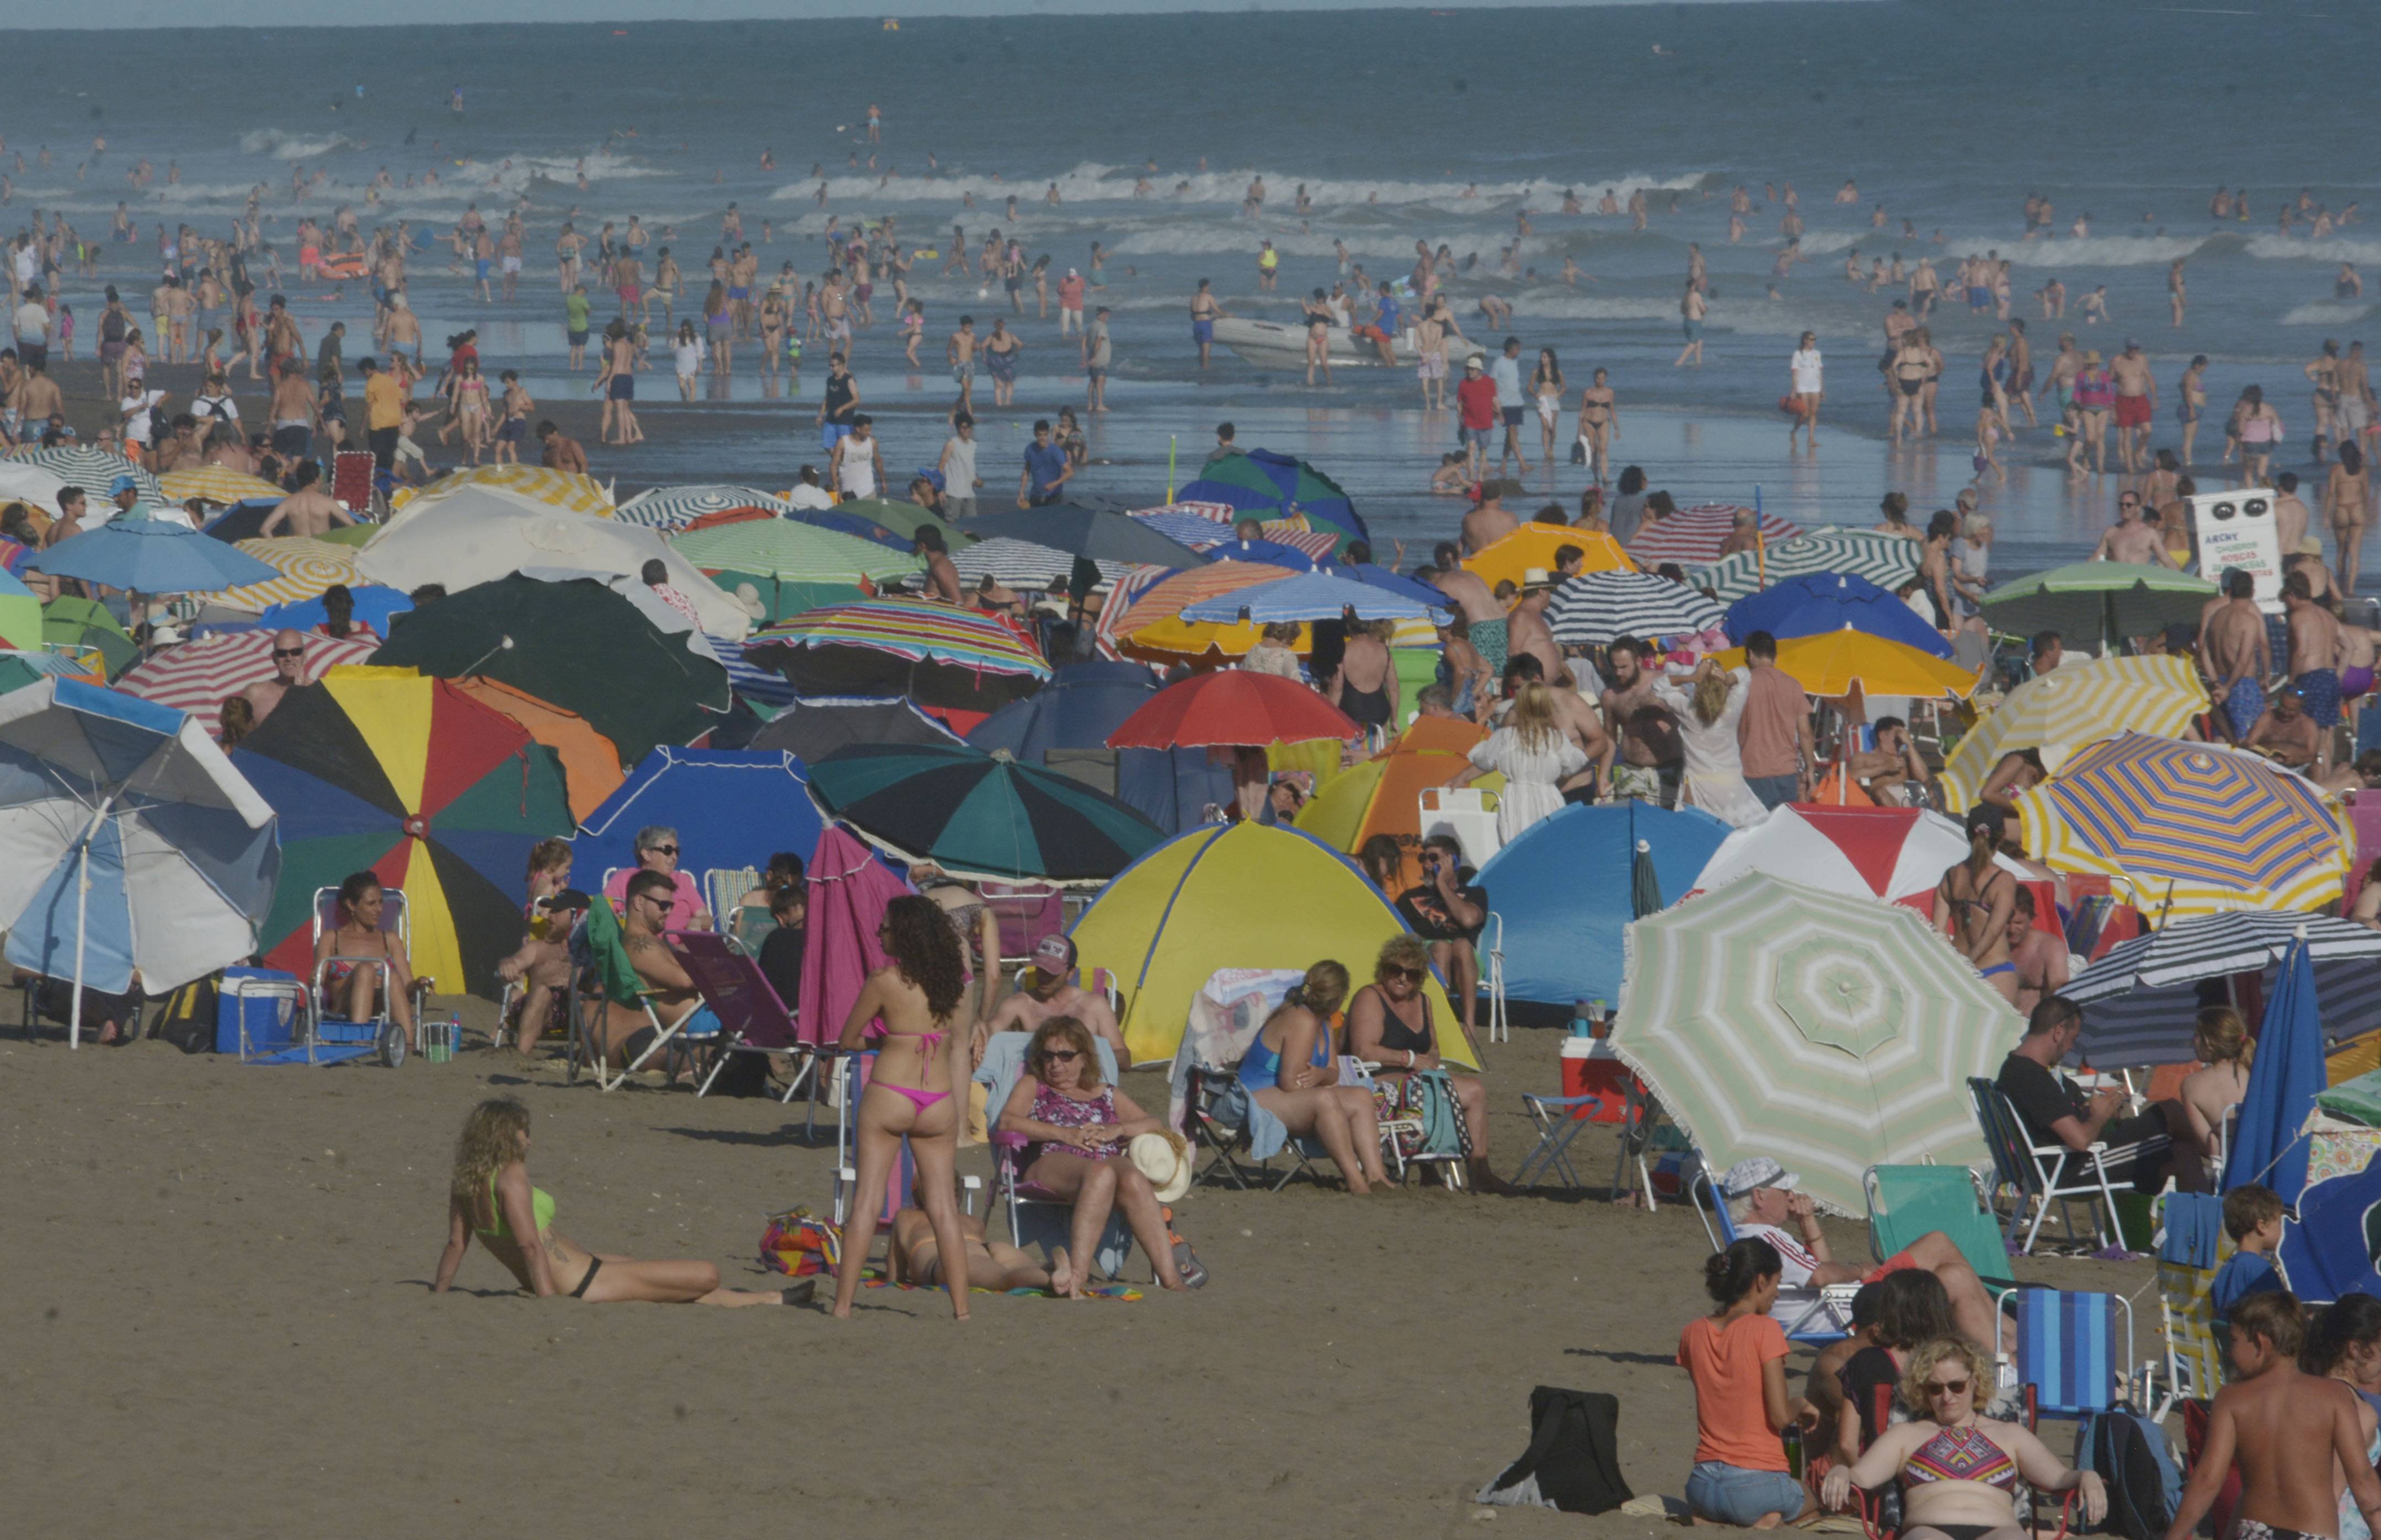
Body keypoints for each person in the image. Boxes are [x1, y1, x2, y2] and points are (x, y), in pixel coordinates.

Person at [433, 1098, 802, 1306]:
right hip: (578, 1283)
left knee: (652, 1274)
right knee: (707, 1274)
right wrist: (549, 1305)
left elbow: (456, 1244)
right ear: (504, 1136)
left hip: (579, 1270)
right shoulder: (512, 1175)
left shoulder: (467, 1180)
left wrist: (440, 1293)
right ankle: (767, 1299)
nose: (529, 1142)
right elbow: (530, 1247)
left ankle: (767, 1299)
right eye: (524, 1133)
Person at [830, 895, 976, 1320]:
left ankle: (842, 1307)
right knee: (944, 1208)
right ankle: (962, 1311)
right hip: (939, 1100)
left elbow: (848, 1039)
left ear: (906, 935)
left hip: (892, 1090)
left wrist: (886, 1042)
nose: (880, 934)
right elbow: (958, 1039)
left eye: (886, 928)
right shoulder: (955, 980)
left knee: (866, 1203)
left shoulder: (884, 980)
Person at [1716, 1157, 2008, 1354]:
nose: (1792, 1196)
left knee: (1953, 1274)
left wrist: (1807, 1223)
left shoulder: (1749, 1240)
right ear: (1759, 1197)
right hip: (1856, 1309)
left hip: (1843, 1304)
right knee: (1939, 1245)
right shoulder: (1766, 1239)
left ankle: (2006, 1343)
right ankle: (2006, 1345)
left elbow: (1821, 1268)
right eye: (1785, 1190)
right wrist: (1859, 1270)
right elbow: (1820, 1275)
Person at [1823, 1336, 2108, 1539]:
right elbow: (1861, 1476)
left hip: (2000, 1531)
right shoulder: (1906, 1435)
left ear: (1975, 1382)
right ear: (1923, 1390)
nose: (1947, 1397)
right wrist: (1841, 1471)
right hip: (1928, 1531)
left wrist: (2088, 1477)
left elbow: (2059, 1478)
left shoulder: (2009, 1434)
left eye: (1956, 1386)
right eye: (1935, 1389)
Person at [994, 1015, 1191, 1298]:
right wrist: (1065, 1134)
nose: (1055, 1064)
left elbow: (1153, 1123)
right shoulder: (1034, 1085)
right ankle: (1079, 1273)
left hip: (1102, 1162)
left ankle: (1171, 1278)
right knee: (1101, 1173)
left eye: (1065, 1055)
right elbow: (1007, 1122)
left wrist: (1117, 1129)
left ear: (1084, 1058)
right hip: (1052, 1160)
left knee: (1133, 1178)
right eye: (1048, 1056)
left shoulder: (1106, 1093)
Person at [2164, 1292, 2381, 1540]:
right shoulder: (2335, 1397)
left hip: (2255, 1532)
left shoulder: (2233, 1398)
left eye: (2234, 1341)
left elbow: (2207, 1479)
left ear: (2259, 1343)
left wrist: (2176, 1535)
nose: (2230, 1353)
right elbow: (2363, 1479)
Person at [1998, 995, 2201, 1196]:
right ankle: (2219, 1153)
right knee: (2170, 1112)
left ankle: (2213, 1182)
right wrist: (2100, 1115)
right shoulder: (2031, 1077)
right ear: (2059, 1031)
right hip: (2071, 1170)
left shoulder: (2016, 1069)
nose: (2071, 1048)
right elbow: (2080, 1140)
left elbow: (2062, 1120)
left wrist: (2094, 1111)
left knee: (2183, 1151)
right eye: (2073, 1039)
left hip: (2063, 1164)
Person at [1343, 935, 1501, 1191]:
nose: (1403, 978)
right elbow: (1364, 1052)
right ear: (1384, 969)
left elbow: (1434, 1049)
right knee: (1423, 1090)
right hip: (1377, 1080)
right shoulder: (1371, 997)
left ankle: (1479, 1171)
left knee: (1475, 1090)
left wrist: (1430, 1061)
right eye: (1396, 970)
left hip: (1415, 1079)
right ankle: (1427, 1168)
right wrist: (1411, 1059)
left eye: (1412, 973)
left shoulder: (1423, 1001)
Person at [1678, 1238, 1812, 1527]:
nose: (1777, 1293)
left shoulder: (1692, 1333)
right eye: (1777, 1283)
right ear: (1761, 1282)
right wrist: (1801, 1403)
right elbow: (1779, 1417)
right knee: (1812, 1500)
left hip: (1702, 1484)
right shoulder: (1766, 1329)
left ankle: (1710, 1515)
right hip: (1754, 1482)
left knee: (1725, 1502)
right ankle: (1767, 1518)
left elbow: (1718, 1394)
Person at [1238, 960, 1386, 1195]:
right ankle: (1355, 1180)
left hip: (1285, 1093)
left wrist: (1320, 1074)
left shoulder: (1324, 1022)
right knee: (1324, 1099)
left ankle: (1377, 1176)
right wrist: (1322, 1082)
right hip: (1254, 1093)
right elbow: (1290, 1083)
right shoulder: (1302, 1020)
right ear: (1340, 997)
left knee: (1361, 1096)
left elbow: (1333, 1073)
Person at [1452, 682, 1587, 844]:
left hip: (1517, 800)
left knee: (1516, 846)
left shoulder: (1506, 736)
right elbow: (1573, 764)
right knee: (1550, 846)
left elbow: (1485, 761)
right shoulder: (1557, 738)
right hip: (1549, 798)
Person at [974, 933, 1125, 1067]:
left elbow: (1124, 1057)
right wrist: (980, 1032)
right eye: (1040, 969)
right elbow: (987, 1035)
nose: (1043, 977)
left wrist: (1080, 1062)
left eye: (1052, 972)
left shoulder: (1094, 1005)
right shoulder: (1020, 1003)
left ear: (1070, 973)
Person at [1650, 657, 1765, 827]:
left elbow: (1658, 686)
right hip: (1733, 789)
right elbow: (1745, 673)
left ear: (1698, 686)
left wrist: (1691, 677)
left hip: (1701, 791)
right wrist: (1727, 678)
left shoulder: (1688, 712)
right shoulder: (1732, 709)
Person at [1395, 835, 1487, 1042]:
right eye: (1423, 858)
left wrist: (1442, 885)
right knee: (1442, 947)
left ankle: (1469, 1025)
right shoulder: (1408, 898)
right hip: (1426, 958)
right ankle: (1440, 1024)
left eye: (1434, 858)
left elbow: (1468, 920)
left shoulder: (1475, 893)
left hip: (1466, 964)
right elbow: (1399, 935)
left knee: (1462, 944)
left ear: (1452, 862)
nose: (1426, 864)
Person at [313, 870, 417, 1051]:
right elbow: (318, 981)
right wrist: (315, 978)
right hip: (343, 1007)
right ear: (351, 905)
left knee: (392, 977)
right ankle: (358, 1042)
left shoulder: (389, 938)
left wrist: (420, 985)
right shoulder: (331, 938)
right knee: (366, 970)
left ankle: (407, 1044)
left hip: (381, 1007)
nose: (380, 909)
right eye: (371, 904)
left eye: (381, 902)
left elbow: (408, 986)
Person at [493, 837, 578, 1056]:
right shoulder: (546, 885)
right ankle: (500, 1026)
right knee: (522, 987)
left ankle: (501, 1025)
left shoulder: (536, 878)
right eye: (566, 867)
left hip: (531, 934)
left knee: (519, 987)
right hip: (539, 933)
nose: (567, 872)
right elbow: (544, 910)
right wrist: (557, 897)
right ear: (553, 865)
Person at [1935, 806, 2019, 999]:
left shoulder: (1950, 876)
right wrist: (1971, 963)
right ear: (2002, 836)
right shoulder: (2003, 880)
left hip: (1958, 972)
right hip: (1995, 971)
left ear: (1967, 832)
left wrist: (1960, 967)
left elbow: (1939, 933)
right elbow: (1992, 932)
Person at [887, 1206, 1056, 1293]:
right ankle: (1052, 1268)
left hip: (949, 1256)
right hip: (988, 1248)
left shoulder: (906, 1217)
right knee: (1027, 1269)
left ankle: (1054, 1278)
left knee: (1003, 1279)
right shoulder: (973, 1220)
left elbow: (895, 1278)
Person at [1736, 632, 1812, 810]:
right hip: (1787, 770)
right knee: (1784, 828)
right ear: (1775, 656)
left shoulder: (1744, 684)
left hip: (1753, 769)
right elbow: (1805, 733)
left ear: (1751, 655)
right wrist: (1810, 769)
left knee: (1760, 829)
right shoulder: (1793, 685)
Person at [2203, 568, 2275, 742]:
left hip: (2219, 682)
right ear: (2253, 592)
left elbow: (2202, 650)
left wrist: (2216, 683)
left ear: (2230, 590)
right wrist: (2265, 677)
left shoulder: (2216, 616)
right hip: (2242, 685)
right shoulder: (2249, 620)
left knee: (2221, 739)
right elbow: (2243, 661)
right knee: (2249, 741)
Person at [600, 824, 711, 932]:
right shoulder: (624, 879)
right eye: (667, 850)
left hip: (680, 947)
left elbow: (706, 918)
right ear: (647, 854)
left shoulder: (682, 881)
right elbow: (602, 914)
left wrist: (698, 922)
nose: (674, 857)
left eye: (677, 852)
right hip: (639, 945)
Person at [2180, 1006, 2253, 1164]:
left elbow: (2211, 1145)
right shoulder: (2256, 1071)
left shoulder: (2191, 1085)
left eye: (2197, 1035)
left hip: (2233, 1169)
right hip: (2267, 1160)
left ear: (2210, 1043)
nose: (2193, 1041)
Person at [2212, 1184, 2290, 1320]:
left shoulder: (2226, 1269)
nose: (2283, 1227)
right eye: (2279, 1222)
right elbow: (2279, 1315)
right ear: (2262, 1226)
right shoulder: (2259, 1269)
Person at [2002, 888, 2067, 1014]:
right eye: (2007, 923)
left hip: (2032, 1026)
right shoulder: (1990, 945)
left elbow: (2060, 989)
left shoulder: (2049, 947)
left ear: (2031, 920)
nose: (2012, 929)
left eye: (2018, 923)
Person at [1787, 331, 1823, 448]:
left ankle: (1811, 439)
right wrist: (1794, 390)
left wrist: (1822, 389)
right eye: (1812, 339)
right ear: (1805, 340)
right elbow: (1795, 374)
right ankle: (1794, 431)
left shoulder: (1817, 354)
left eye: (1815, 339)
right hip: (1802, 386)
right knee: (1804, 413)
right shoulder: (1798, 354)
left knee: (1814, 412)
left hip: (1815, 386)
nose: (1814, 342)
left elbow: (1820, 372)